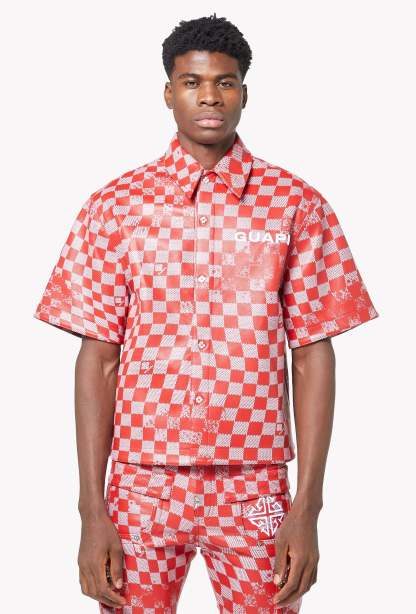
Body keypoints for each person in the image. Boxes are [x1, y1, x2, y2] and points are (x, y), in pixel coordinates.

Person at [33, 13, 379, 614]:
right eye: (192, 82)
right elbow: (99, 359)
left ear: (245, 92)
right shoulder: (115, 207)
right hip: (141, 484)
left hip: (257, 485)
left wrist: (307, 508)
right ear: (169, 93)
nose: (210, 97)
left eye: (226, 82)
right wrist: (92, 511)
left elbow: (313, 354)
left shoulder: (295, 205)